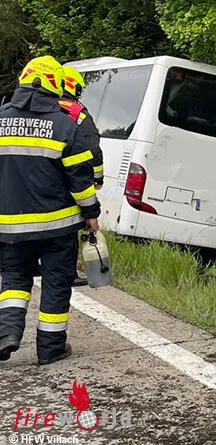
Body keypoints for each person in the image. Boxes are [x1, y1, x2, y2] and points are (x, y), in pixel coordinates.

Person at [0, 55, 101, 365]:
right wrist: (91, 213)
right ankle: (50, 348)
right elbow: (80, 179)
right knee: (56, 282)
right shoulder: (65, 125)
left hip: (10, 227)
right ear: (56, 86)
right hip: (58, 227)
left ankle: (7, 333)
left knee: (14, 279)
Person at [59, 65, 104, 287]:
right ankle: (69, 273)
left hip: (40, 176)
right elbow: (92, 147)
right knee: (69, 224)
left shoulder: (45, 108)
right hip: (71, 177)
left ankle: (32, 263)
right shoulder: (78, 113)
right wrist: (98, 177)